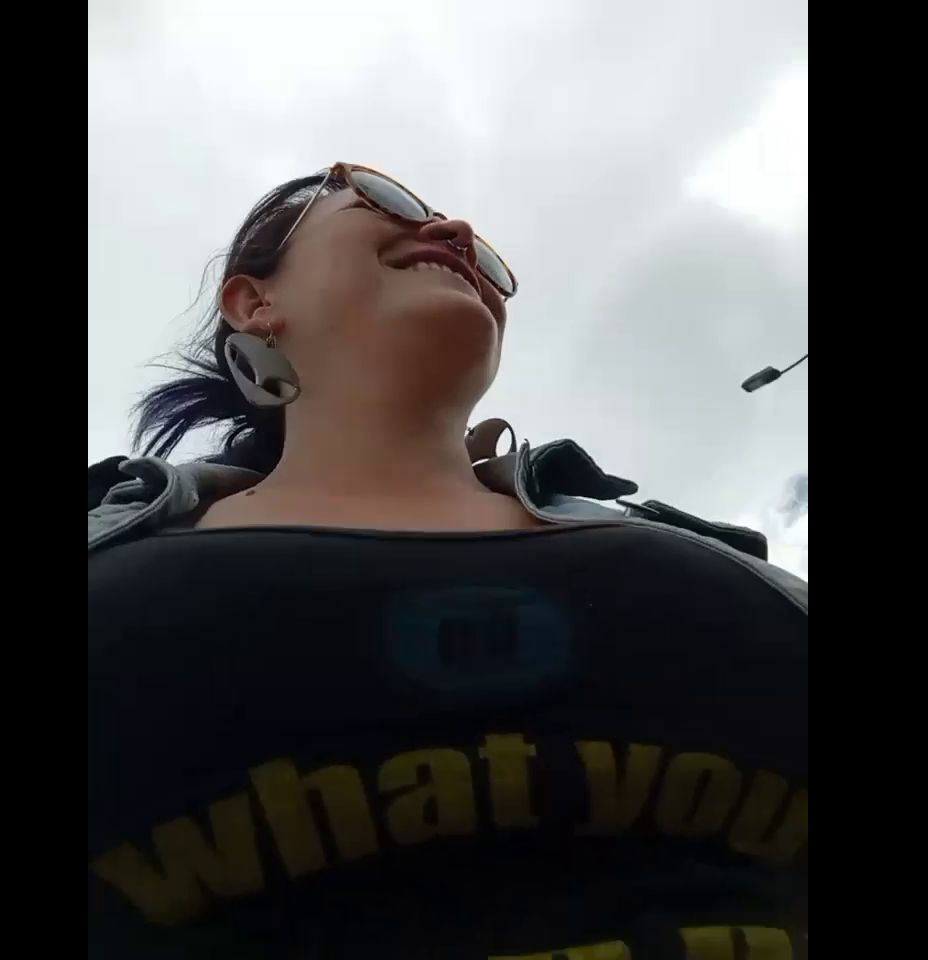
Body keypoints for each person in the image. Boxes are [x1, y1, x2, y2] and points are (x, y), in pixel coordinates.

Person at [88, 164, 808, 959]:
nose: (457, 232)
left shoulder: (692, 548)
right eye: (386, 201)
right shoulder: (112, 547)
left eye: (484, 257)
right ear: (254, 303)